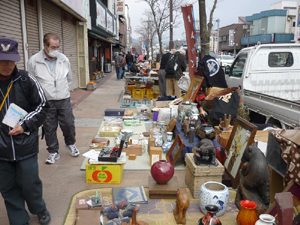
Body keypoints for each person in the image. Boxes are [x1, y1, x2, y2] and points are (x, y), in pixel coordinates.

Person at [0, 37, 51, 224]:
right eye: (2, 60)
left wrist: (24, 124)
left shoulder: (26, 79)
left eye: (11, 60)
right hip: (1, 148)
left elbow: (43, 106)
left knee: (30, 183)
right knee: (7, 187)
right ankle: (19, 219)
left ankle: (39, 208)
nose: (7, 65)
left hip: (25, 143)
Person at [28, 33, 80, 164]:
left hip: (63, 98)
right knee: (49, 127)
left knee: (68, 123)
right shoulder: (34, 61)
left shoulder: (63, 59)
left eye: (57, 47)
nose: (55, 50)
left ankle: (70, 144)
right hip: (46, 100)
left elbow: (69, 78)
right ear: (45, 46)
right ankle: (53, 151)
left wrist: (62, 89)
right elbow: (31, 81)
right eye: (52, 47)